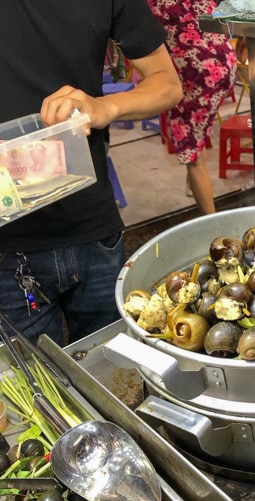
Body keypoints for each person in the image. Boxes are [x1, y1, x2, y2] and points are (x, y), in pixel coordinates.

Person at [0, 0, 182, 347]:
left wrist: (105, 106)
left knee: (116, 374)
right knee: (35, 392)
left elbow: (167, 83)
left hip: (94, 230)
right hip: (9, 247)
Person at [147, 0, 237, 215]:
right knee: (198, 134)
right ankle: (192, 185)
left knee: (193, 157)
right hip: (223, 59)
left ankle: (213, 227)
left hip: (194, 72)